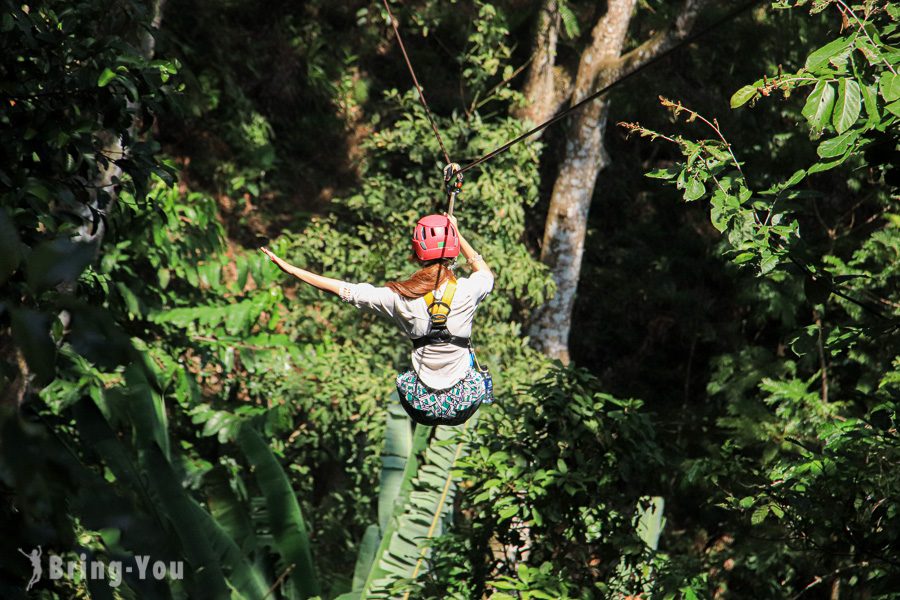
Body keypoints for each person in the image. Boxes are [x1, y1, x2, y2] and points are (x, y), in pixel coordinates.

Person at [260, 213, 493, 426]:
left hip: (421, 405)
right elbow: (484, 271)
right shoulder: (468, 290)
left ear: (416, 253)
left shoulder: (400, 297)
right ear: (451, 250)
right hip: (464, 400)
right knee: (476, 374)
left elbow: (347, 291)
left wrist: (292, 270)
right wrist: (457, 233)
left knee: (406, 380)